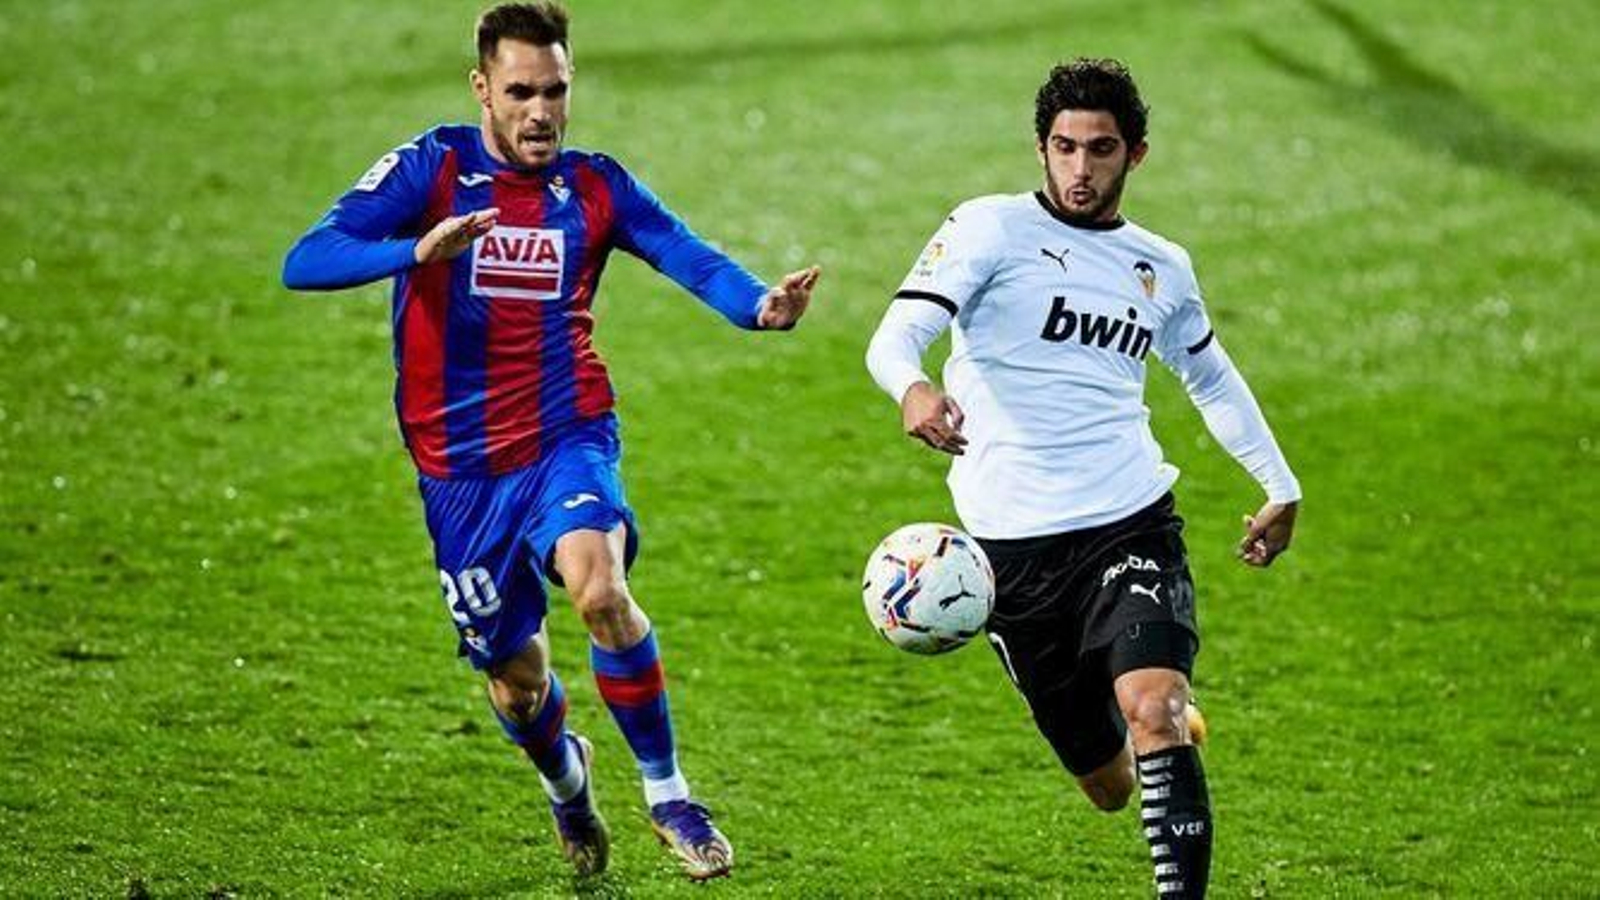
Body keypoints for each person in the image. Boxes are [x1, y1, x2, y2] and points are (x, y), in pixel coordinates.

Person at [282, 2, 819, 882]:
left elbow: (682, 251)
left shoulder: (596, 186)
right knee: (516, 683)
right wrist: (419, 249)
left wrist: (759, 306)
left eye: (557, 91)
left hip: (566, 430)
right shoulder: (435, 168)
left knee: (601, 590)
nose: (542, 112)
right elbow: (305, 257)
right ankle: (569, 783)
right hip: (457, 471)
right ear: (482, 89)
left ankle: (670, 796)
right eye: (522, 91)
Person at [865, 58, 1300, 898]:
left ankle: (1162, 720)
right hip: (1010, 555)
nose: (1079, 168)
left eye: (1100, 150)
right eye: (1064, 147)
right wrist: (914, 387)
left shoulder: (1160, 267)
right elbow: (894, 337)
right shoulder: (989, 229)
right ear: (1041, 147)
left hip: (1127, 520)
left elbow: (1209, 377)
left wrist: (1279, 483)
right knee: (1108, 788)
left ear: (1135, 154)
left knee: (1155, 711)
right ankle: (1151, 723)